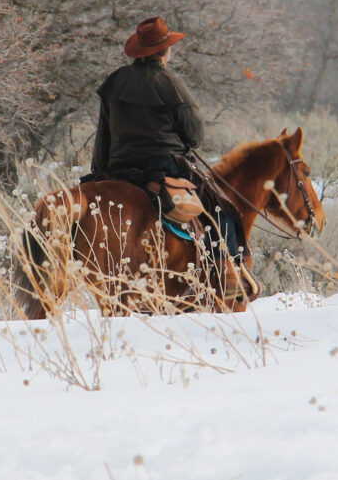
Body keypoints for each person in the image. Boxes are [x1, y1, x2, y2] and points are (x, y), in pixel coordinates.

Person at [88, 16, 259, 298]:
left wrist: (99, 174)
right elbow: (195, 135)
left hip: (118, 169)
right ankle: (227, 276)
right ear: (164, 51)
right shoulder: (170, 82)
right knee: (222, 210)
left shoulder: (114, 82)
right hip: (163, 166)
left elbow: (102, 136)